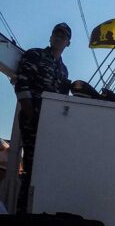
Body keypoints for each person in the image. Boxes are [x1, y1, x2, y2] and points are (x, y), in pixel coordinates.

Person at [13, 23, 72, 214]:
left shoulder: (63, 70)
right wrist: (32, 118)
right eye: (56, 33)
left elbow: (62, 99)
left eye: (62, 36)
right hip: (33, 121)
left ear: (67, 43)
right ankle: (23, 213)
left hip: (51, 125)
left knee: (46, 169)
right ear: (50, 37)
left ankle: (38, 212)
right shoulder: (35, 55)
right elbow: (22, 87)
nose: (58, 37)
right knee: (30, 168)